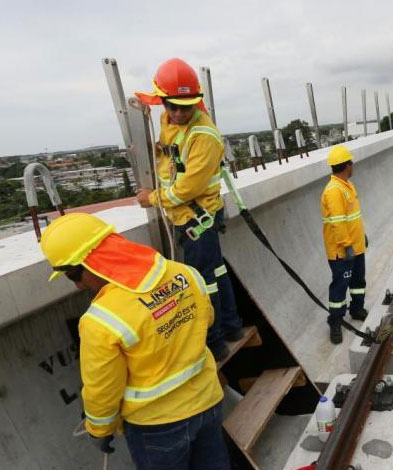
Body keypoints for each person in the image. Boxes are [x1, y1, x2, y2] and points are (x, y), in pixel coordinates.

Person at [39, 213, 229, 470]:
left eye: (74, 275)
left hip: (158, 428)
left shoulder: (101, 320)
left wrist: (99, 430)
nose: (78, 285)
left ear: (95, 263)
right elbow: (206, 320)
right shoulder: (185, 272)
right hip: (208, 403)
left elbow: (103, 390)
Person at [134, 57, 242, 361]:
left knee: (203, 280)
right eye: (172, 106)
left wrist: (152, 198)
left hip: (197, 216)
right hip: (194, 216)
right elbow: (171, 153)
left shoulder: (203, 135)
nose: (179, 112)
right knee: (215, 270)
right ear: (163, 103)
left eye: (186, 106)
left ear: (197, 103)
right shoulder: (170, 120)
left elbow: (187, 188)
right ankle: (232, 326)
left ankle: (215, 341)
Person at [321, 145, 369, 344]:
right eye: (352, 163)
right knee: (340, 287)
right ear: (347, 165)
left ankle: (357, 309)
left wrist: (361, 237)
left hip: (355, 246)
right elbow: (338, 223)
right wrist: (347, 245)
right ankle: (335, 321)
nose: (353, 166)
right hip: (342, 251)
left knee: (358, 281)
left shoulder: (346, 185)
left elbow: (353, 217)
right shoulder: (334, 191)